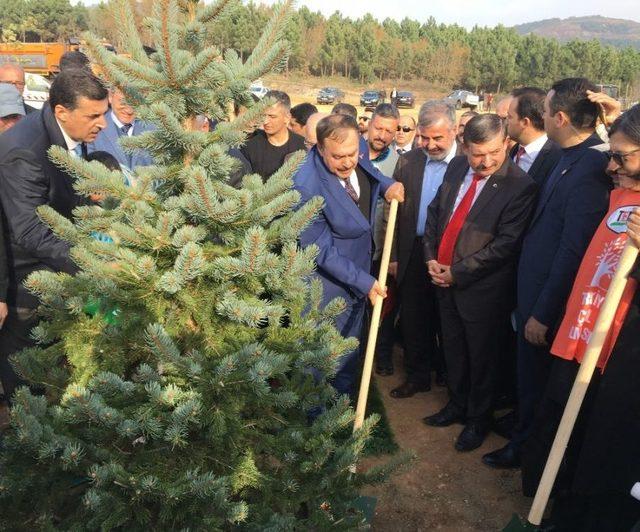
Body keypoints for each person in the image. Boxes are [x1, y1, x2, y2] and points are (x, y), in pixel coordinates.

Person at [483, 78, 612, 470]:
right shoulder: (565, 154)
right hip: (530, 294)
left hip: (546, 306)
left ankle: (526, 451)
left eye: (546, 110)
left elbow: (572, 252)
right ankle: (524, 434)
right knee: (526, 379)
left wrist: (542, 312)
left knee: (537, 384)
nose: (540, 116)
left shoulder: (590, 168)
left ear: (560, 118)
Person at [522, 106, 640, 530]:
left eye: (622, 157)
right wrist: (613, 123)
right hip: (579, 338)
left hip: (619, 364)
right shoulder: (623, 191)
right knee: (559, 433)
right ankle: (558, 507)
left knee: (600, 453)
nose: (611, 164)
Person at [422, 114, 538, 452]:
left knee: (483, 358)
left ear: (506, 144)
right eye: (477, 154)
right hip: (442, 278)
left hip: (482, 290)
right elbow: (435, 215)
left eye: (493, 153)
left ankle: (478, 420)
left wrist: (457, 272)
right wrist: (431, 257)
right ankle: (456, 405)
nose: (485, 161)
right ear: (464, 146)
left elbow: (505, 245)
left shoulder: (521, 186)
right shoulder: (457, 168)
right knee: (453, 350)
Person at [0, 68, 108, 404]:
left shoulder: (70, 134)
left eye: (103, 114)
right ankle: (26, 436)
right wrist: (89, 262)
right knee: (26, 365)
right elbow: (30, 230)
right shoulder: (25, 152)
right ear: (62, 111)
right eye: (93, 115)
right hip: (27, 278)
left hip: (56, 265)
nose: (102, 124)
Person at [293, 114, 405, 397]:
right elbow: (320, 249)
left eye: (352, 153)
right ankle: (315, 422)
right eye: (338, 156)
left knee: (349, 349)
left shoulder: (358, 154)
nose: (347, 162)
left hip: (358, 276)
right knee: (321, 358)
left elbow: (367, 169)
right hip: (327, 287)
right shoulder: (305, 186)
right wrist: (365, 282)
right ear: (319, 149)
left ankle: (340, 408)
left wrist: (387, 184)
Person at [386, 100, 457, 392]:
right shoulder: (408, 162)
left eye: (437, 138)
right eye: (424, 137)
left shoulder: (466, 164)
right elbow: (391, 215)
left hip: (449, 254)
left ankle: (446, 372)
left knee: (446, 317)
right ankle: (418, 376)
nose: (430, 144)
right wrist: (392, 255)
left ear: (454, 131)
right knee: (414, 316)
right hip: (413, 250)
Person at [240, 90, 305, 181]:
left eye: (272, 116)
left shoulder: (302, 147)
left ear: (287, 117)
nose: (265, 121)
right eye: (263, 115)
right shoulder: (250, 147)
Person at [505, 87, 562, 186]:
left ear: (524, 122)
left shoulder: (557, 158)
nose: (506, 122)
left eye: (509, 117)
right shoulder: (515, 151)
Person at [88, 88, 156, 170]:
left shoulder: (154, 129)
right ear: (110, 96)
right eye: (123, 103)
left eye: (135, 104)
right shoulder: (93, 130)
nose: (129, 110)